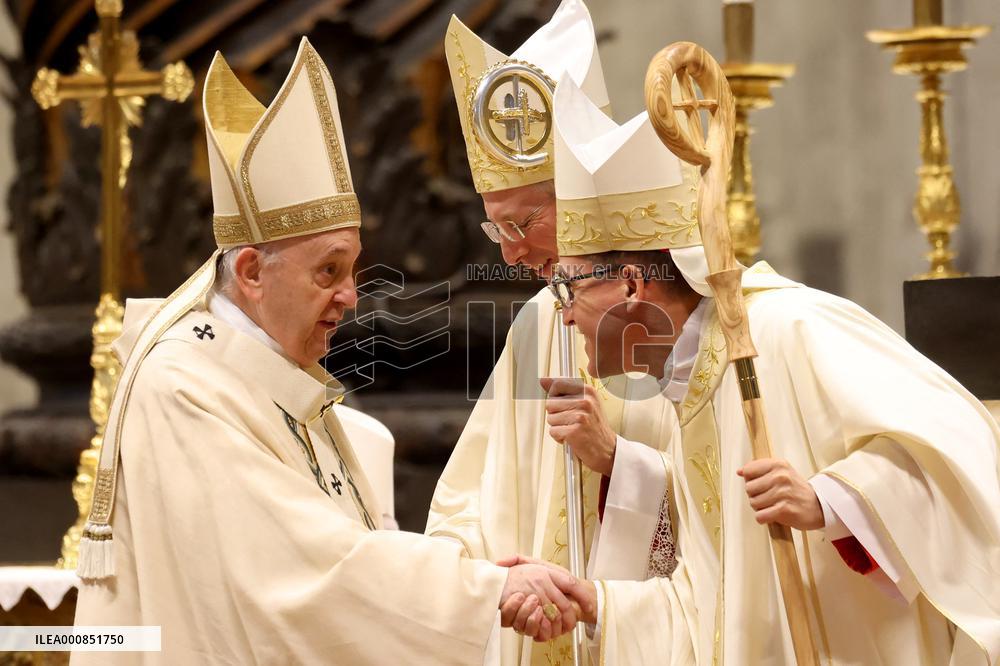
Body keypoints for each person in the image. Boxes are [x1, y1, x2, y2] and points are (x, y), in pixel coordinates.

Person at [70, 38, 591, 665]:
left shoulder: (270, 379)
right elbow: (303, 572)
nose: (351, 296)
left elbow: (344, 547)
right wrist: (485, 589)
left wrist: (477, 574)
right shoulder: (186, 385)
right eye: (329, 270)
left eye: (353, 268)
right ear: (252, 271)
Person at [506, 74, 1000, 664]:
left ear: (632, 285)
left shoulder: (787, 328)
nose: (563, 317)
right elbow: (709, 611)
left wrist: (833, 502)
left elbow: (963, 440)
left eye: (568, 287)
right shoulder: (686, 393)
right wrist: (597, 603)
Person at [429, 2, 677, 662]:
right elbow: (467, 502)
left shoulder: (674, 308)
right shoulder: (539, 319)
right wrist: (494, 580)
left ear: (581, 198)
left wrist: (617, 462)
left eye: (521, 224)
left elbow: (726, 523)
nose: (508, 253)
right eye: (495, 229)